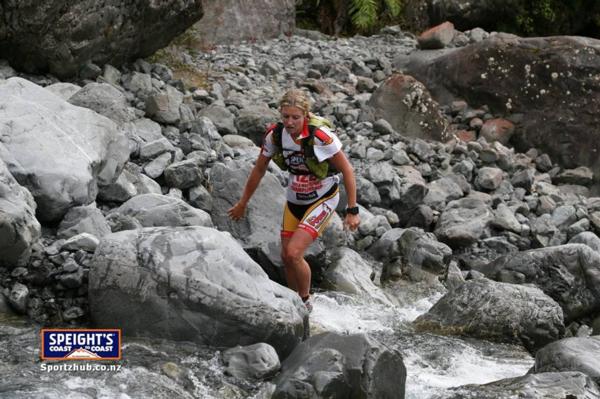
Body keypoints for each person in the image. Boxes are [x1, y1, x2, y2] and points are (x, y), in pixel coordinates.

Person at [228, 88, 360, 310]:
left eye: (295, 117)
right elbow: (259, 169)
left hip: (323, 199)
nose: (289, 122)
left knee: (294, 253)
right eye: (285, 116)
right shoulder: (275, 136)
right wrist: (243, 203)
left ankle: (306, 301)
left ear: (305, 116)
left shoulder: (321, 137)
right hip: (294, 201)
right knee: (286, 258)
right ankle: (293, 302)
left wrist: (352, 209)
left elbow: (347, 169)